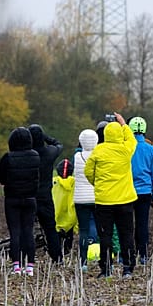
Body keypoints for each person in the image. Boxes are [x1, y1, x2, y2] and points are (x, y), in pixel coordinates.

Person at [84, 112, 137, 279]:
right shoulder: (126, 150)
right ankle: (128, 268)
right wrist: (123, 123)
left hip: (104, 201)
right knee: (126, 235)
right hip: (125, 200)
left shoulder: (98, 151)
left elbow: (88, 173)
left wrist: (98, 184)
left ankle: (106, 269)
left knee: (105, 236)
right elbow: (132, 139)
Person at [0, 127, 40, 276]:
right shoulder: (35, 156)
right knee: (28, 231)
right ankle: (30, 266)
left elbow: (1, 177)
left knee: (15, 232)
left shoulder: (8, 157)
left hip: (12, 199)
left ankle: (16, 265)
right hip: (30, 198)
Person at [28, 124, 63, 264]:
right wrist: (46, 137)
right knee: (50, 229)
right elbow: (58, 144)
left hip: (29, 196)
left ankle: (27, 259)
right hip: (45, 197)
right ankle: (57, 258)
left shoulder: (28, 154)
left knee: (27, 229)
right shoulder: (49, 153)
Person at [128, 116, 153, 264]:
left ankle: (127, 254)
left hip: (127, 191)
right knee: (142, 224)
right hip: (145, 192)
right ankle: (143, 255)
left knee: (127, 225)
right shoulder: (151, 149)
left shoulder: (126, 148)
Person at [73, 129, 99, 271]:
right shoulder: (99, 156)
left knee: (83, 230)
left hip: (80, 199)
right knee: (100, 228)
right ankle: (102, 259)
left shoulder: (77, 157)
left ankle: (83, 262)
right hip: (97, 197)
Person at [53, 159, 76, 257]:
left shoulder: (54, 182)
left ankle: (57, 251)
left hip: (56, 215)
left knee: (55, 235)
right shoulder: (74, 183)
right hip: (69, 217)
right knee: (69, 236)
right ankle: (67, 250)